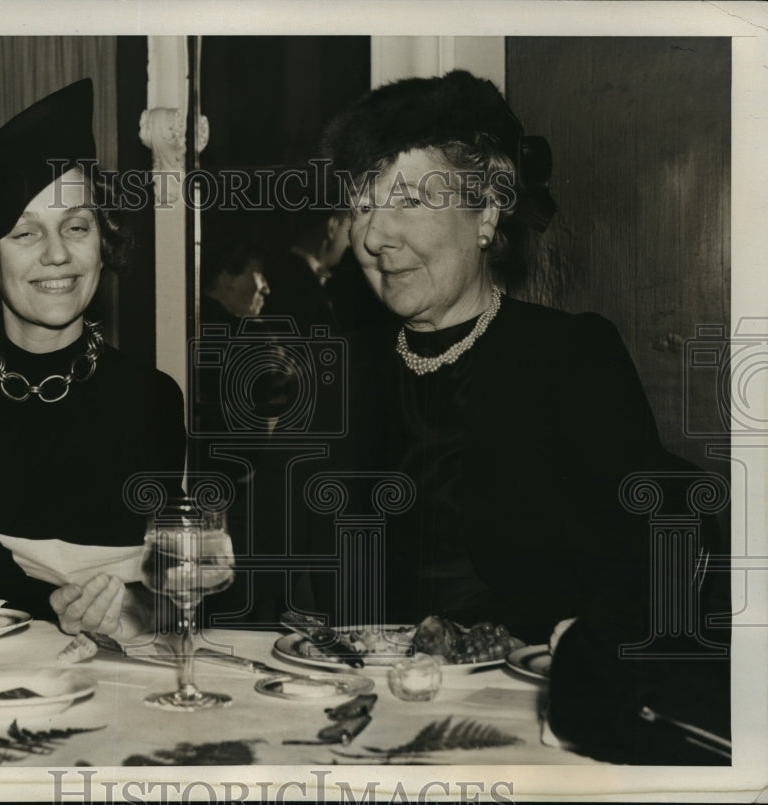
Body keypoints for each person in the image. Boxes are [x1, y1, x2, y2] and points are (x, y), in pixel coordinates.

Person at [294, 71, 728, 762]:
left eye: (408, 199)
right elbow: (287, 585)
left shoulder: (570, 358)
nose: (375, 236)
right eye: (361, 205)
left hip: (526, 723)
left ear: (487, 212)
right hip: (358, 715)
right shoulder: (338, 371)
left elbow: (649, 573)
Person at [0, 79, 185, 639]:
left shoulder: (152, 398)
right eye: (25, 232)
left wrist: (135, 611)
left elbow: (173, 594)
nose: (57, 254)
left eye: (76, 226)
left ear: (103, 241)